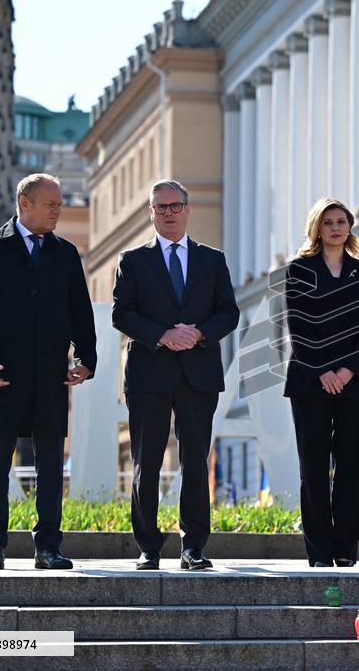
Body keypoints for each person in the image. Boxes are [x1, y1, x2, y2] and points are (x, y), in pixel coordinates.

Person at [0, 173, 97, 570]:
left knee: (51, 469)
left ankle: (49, 547)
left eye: (59, 204)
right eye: (51, 203)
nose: (59, 210)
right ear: (25, 202)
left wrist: (85, 360)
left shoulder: (66, 253)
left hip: (52, 377)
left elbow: (80, 314)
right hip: (3, 374)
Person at [112, 179, 238, 571]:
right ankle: (148, 546)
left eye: (174, 205)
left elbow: (228, 313)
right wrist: (163, 335)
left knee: (196, 463)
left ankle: (193, 547)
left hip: (198, 373)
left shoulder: (212, 259)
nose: (168, 212)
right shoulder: (132, 260)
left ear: (187, 209)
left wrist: (198, 334)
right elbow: (122, 314)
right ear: (151, 213)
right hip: (149, 373)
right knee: (146, 463)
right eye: (160, 207)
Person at [283, 197, 359, 567]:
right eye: (328, 222)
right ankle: (320, 551)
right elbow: (298, 325)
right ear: (317, 229)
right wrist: (324, 370)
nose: (336, 228)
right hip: (310, 381)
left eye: (342, 221)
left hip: (355, 382)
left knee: (350, 466)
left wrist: (347, 370)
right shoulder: (298, 270)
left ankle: (346, 548)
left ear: (350, 227)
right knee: (313, 467)